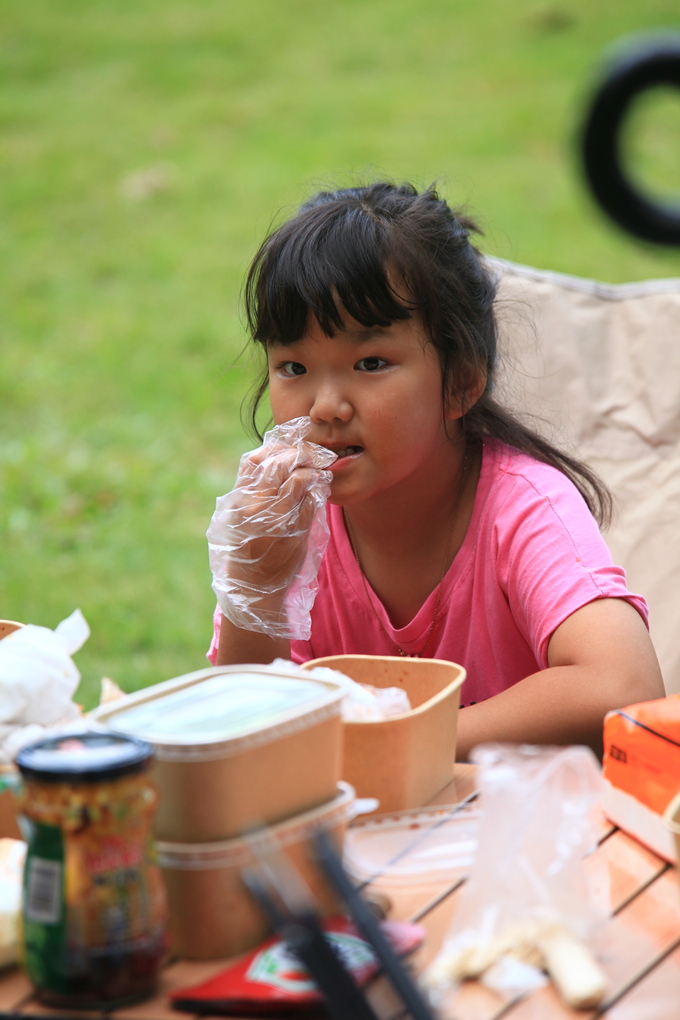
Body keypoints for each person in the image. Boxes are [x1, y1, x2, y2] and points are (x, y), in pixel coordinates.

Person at [207, 181, 664, 759]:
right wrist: (257, 593)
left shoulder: (521, 508)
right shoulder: (292, 527)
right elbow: (245, 732)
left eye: (370, 362)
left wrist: (404, 742)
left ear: (462, 382)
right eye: (293, 366)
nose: (325, 406)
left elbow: (624, 687)